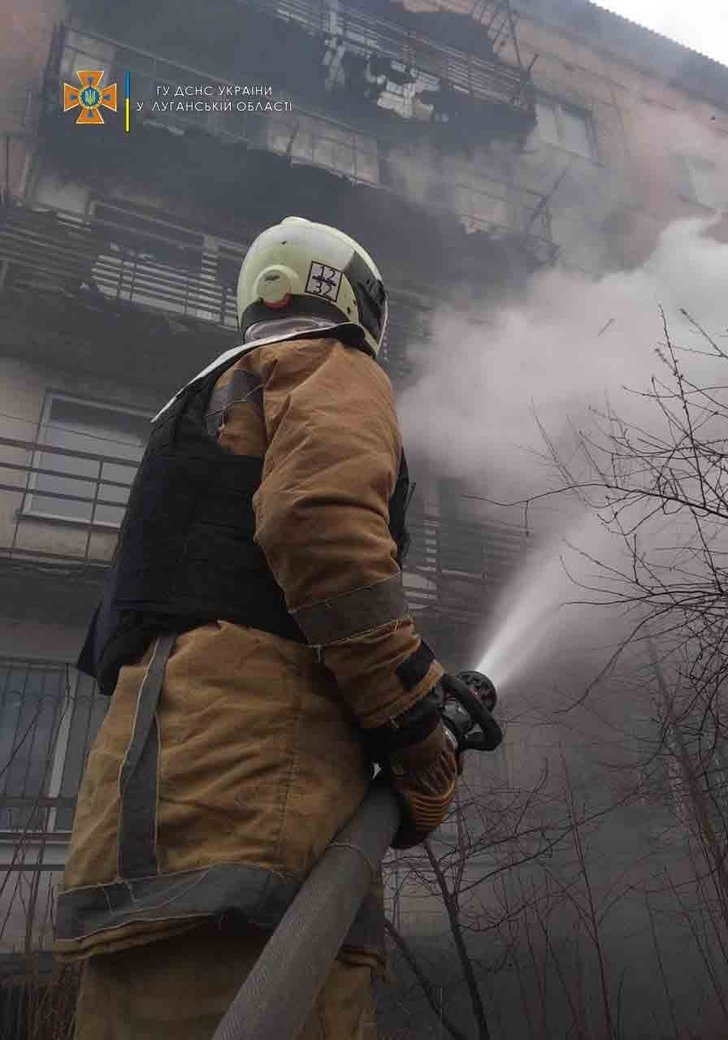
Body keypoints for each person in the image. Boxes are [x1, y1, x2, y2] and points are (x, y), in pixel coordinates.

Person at [54, 216, 459, 1039]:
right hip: (258, 789)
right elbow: (325, 534)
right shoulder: (327, 364)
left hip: (134, 809)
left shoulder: (197, 407)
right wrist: (416, 724)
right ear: (355, 299)